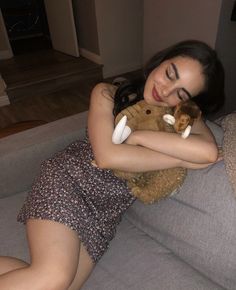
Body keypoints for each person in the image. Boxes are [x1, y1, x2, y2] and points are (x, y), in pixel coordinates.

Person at [0, 39, 225, 290]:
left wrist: (139, 137)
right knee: (54, 277)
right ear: (161, 61)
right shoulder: (108, 92)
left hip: (103, 213)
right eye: (169, 74)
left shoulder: (182, 116)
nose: (166, 90)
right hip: (69, 180)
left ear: (188, 103)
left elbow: (207, 151)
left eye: (181, 94)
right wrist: (181, 157)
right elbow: (108, 157)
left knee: (57, 285)